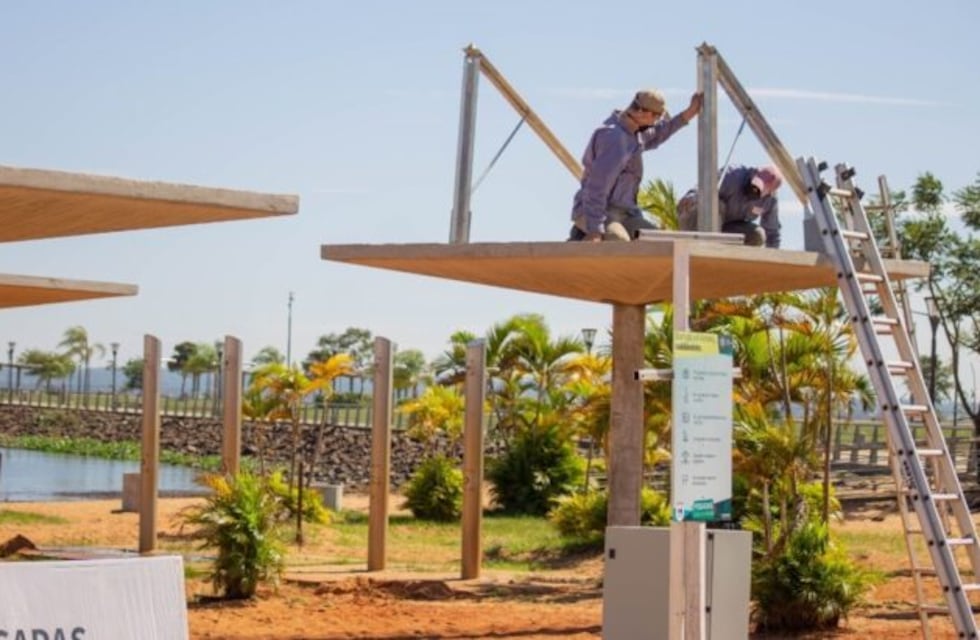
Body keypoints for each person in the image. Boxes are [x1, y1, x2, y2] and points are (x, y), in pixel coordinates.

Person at [568, 89, 704, 242]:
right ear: (644, 114)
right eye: (657, 117)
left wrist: (690, 112)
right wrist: (595, 230)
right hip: (597, 211)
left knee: (662, 244)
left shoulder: (634, 133)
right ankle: (579, 241)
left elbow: (659, 133)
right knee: (617, 241)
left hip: (626, 213)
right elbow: (597, 187)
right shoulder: (614, 139)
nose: (656, 122)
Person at [677, 164, 783, 248]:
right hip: (696, 221)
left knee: (757, 235)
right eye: (754, 183)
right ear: (754, 173)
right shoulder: (732, 175)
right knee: (717, 205)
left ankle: (730, 263)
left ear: (770, 192)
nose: (752, 189)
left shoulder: (770, 202)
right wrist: (693, 198)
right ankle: (710, 249)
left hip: (724, 228)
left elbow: (772, 234)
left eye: (758, 189)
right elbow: (701, 190)